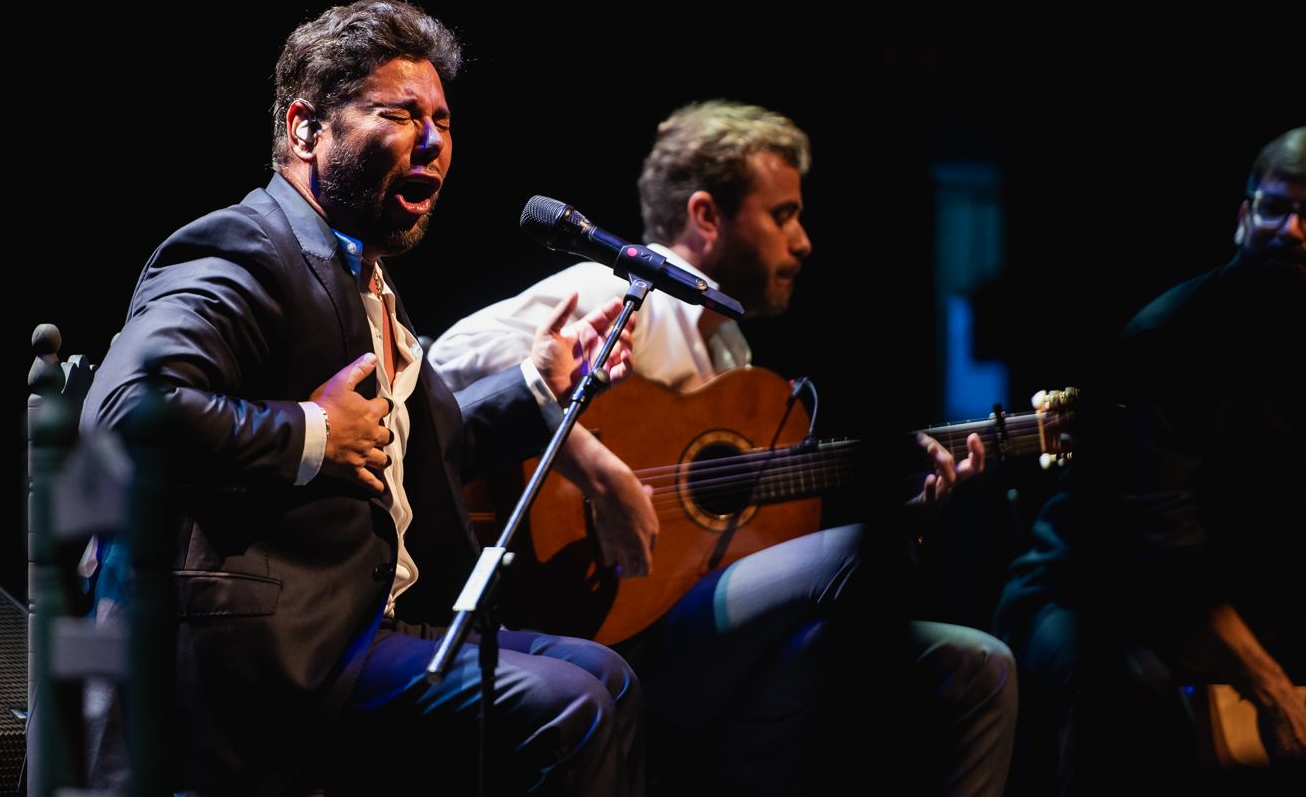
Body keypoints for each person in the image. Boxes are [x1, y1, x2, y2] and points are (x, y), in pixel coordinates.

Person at [81, 0, 646, 797]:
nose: (434, 142)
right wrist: (312, 432)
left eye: (443, 121)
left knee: (607, 676)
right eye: (401, 113)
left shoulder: (366, 281)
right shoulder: (245, 248)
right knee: (568, 706)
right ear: (308, 127)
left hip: (354, 632)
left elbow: (407, 443)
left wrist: (535, 386)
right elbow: (124, 412)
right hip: (260, 656)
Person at [431, 101, 1018, 795]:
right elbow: (451, 359)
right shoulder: (619, 289)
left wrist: (910, 505)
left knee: (978, 662)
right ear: (706, 216)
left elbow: (744, 547)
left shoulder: (733, 361)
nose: (803, 242)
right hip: (606, 626)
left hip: (697, 635)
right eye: (783, 215)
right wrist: (600, 471)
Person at [995, 126, 1306, 793]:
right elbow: (1167, 559)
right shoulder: (1169, 339)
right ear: (1243, 216)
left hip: (1231, 599)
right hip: (1090, 599)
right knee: (1129, 688)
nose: (1292, 229)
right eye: (1276, 207)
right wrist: (1276, 691)